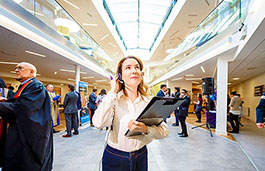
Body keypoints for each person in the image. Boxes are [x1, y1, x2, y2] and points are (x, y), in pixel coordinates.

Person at [93, 56, 169, 171]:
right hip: (115, 157)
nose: (134, 70)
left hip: (141, 156)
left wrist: (146, 129)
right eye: (128, 67)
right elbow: (98, 123)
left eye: (137, 67)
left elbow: (164, 131)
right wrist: (112, 92)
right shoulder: (114, 99)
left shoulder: (148, 101)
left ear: (141, 74)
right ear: (120, 76)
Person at [0, 62, 53, 170]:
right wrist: (7, 102)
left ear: (32, 72)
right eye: (16, 68)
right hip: (20, 131)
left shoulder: (35, 86)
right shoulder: (25, 86)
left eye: (20, 68)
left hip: (28, 136)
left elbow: (23, 108)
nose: (16, 70)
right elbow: (20, 103)